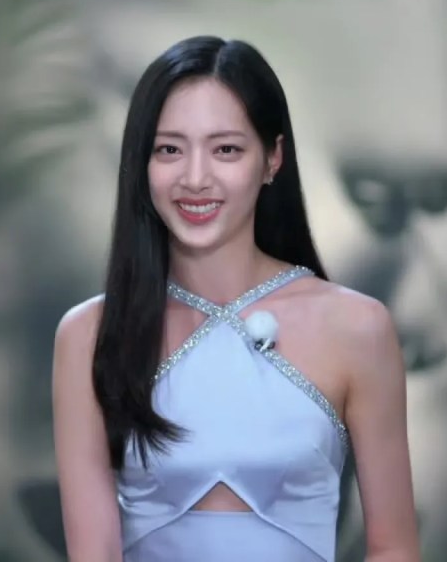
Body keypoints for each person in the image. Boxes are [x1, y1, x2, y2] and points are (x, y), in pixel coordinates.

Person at [51, 35, 420, 562]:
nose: (195, 178)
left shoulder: (358, 328)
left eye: (225, 149)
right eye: (169, 149)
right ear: (141, 163)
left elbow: (394, 549)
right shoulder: (89, 334)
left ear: (272, 159)